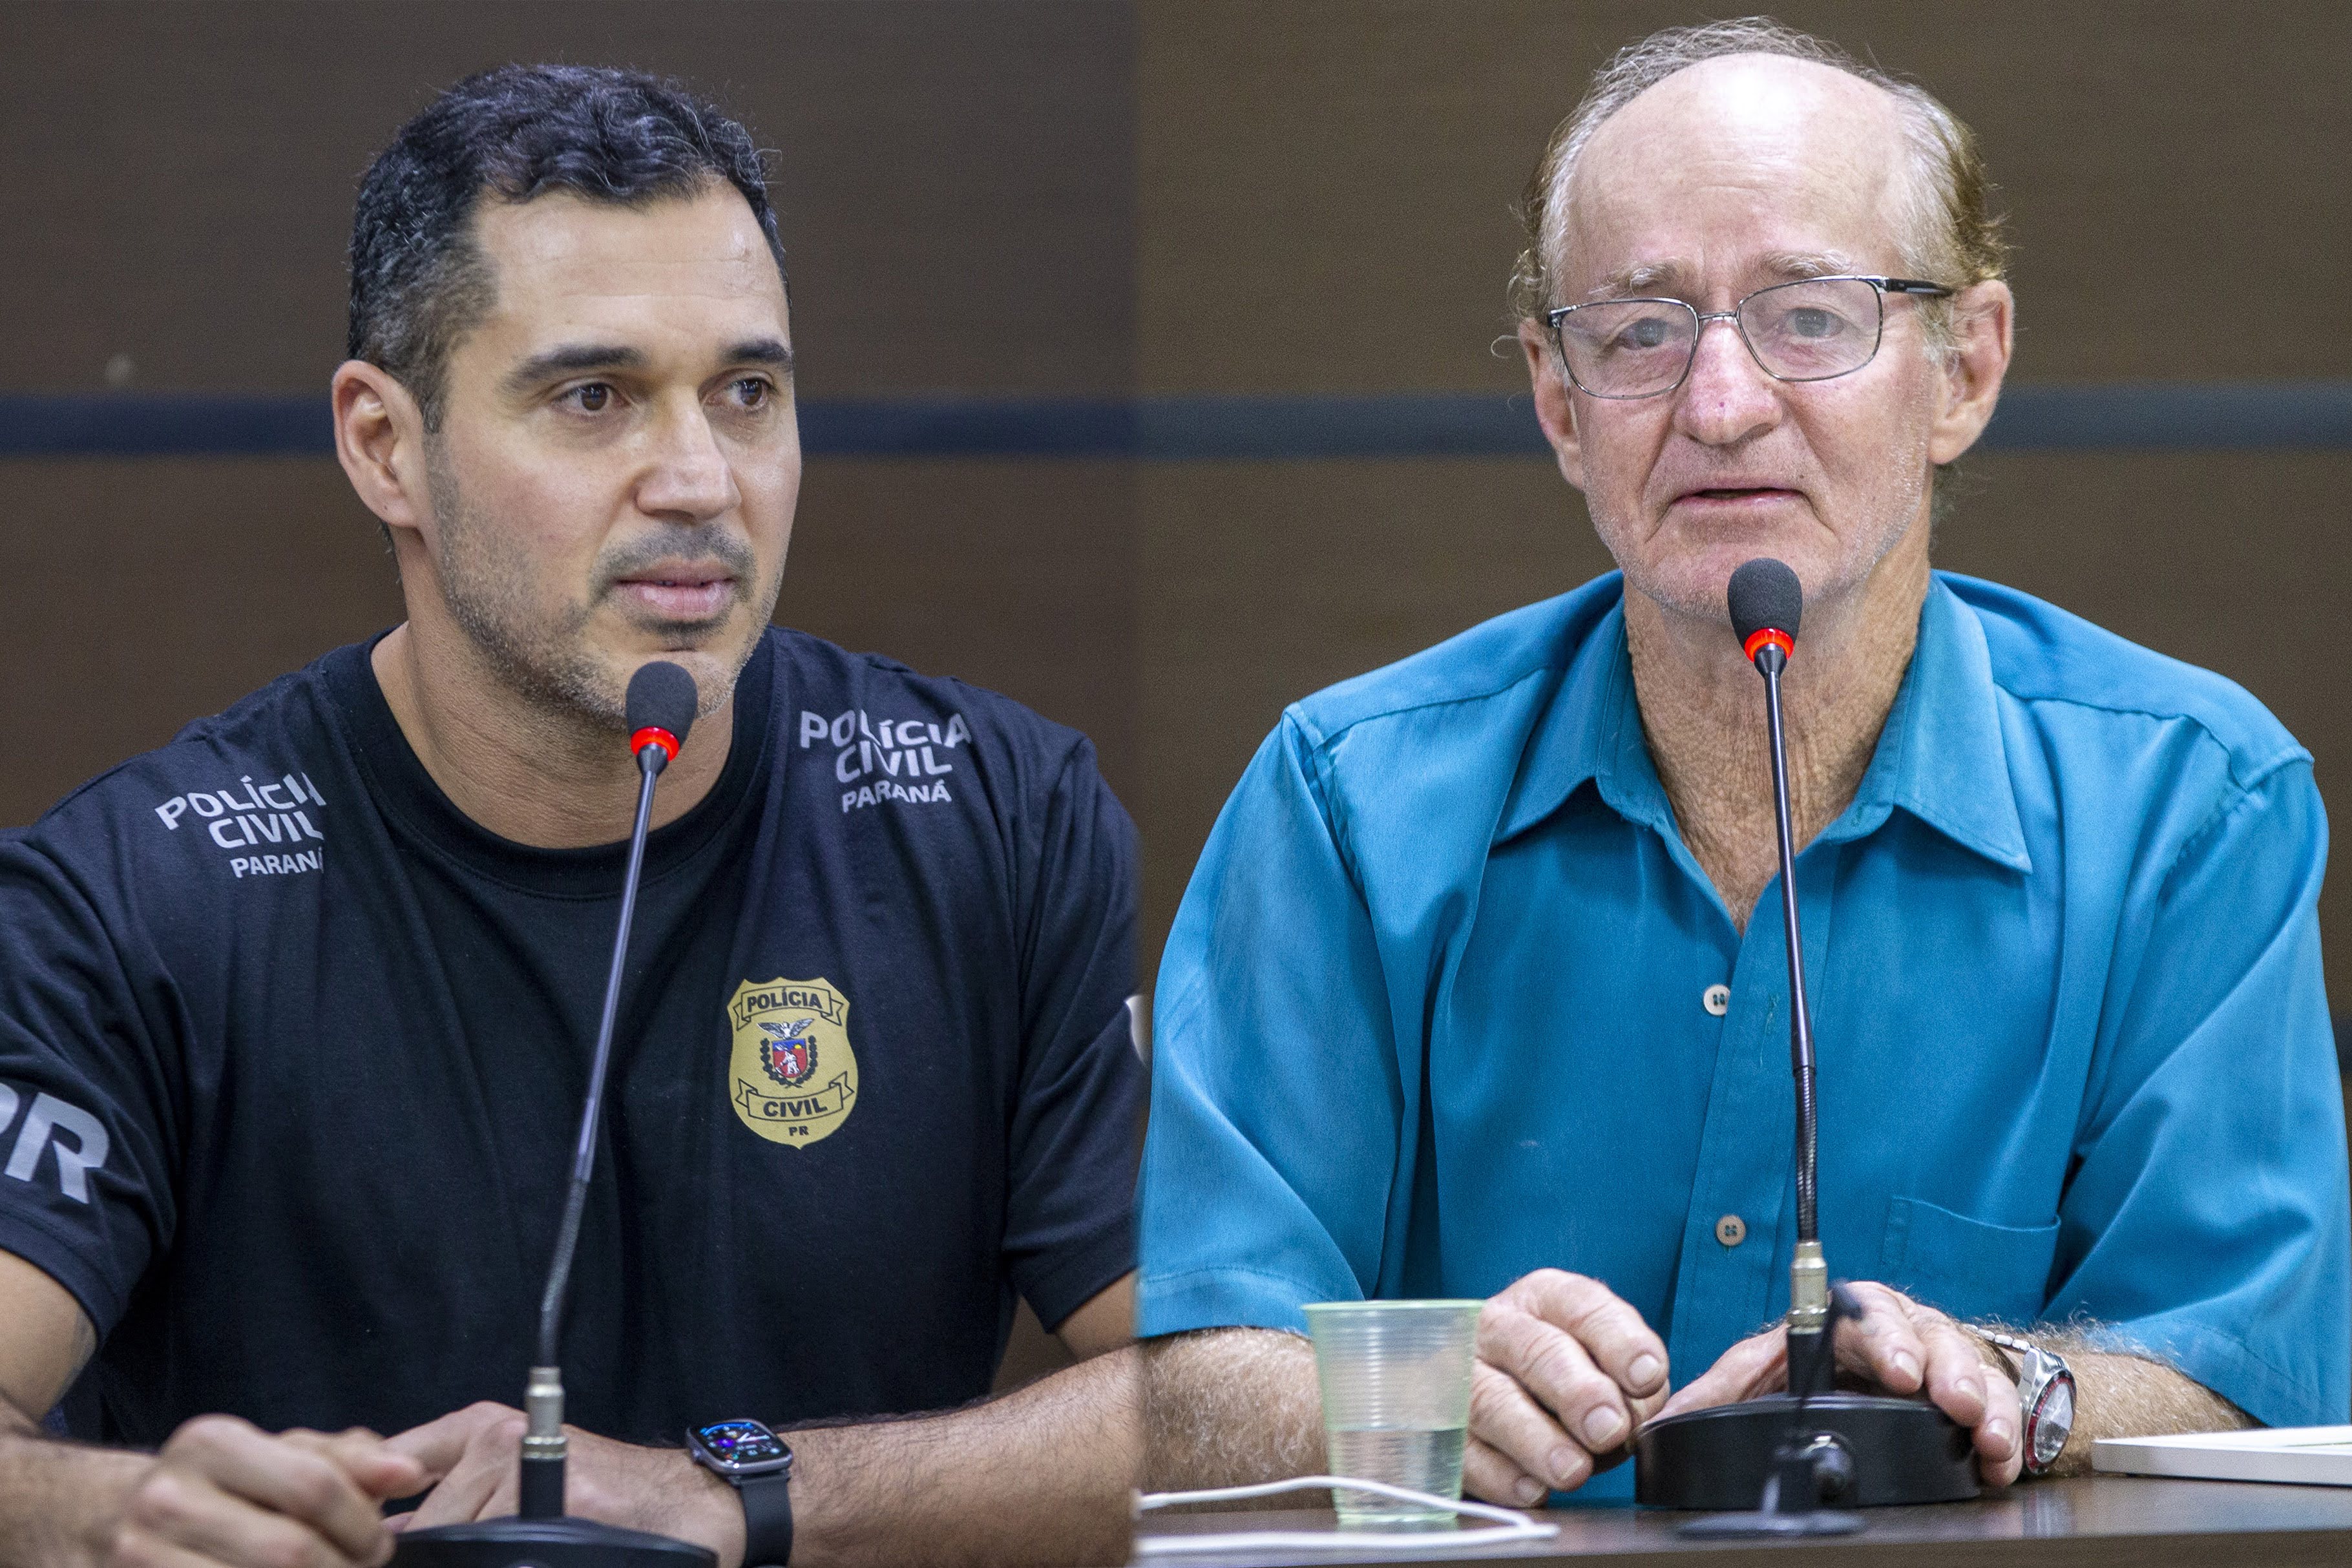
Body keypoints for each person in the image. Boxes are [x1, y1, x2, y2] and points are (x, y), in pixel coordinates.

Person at [1137, 19, 2348, 1508]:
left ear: (1961, 367)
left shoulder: (2187, 804)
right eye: (1639, 328)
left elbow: (2251, 1364)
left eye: (1808, 316)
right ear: (1555, 399)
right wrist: (1401, 1384)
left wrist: (2008, 1381)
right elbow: (1181, 1374)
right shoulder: (1345, 799)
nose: (1717, 404)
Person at [0, 65, 1140, 1568]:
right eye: (593, 397)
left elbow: (1204, 1392)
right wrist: (108, 1510)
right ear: (382, 445)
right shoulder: (131, 901)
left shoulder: (998, 819)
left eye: (748, 393)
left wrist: (731, 1489)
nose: (697, 480)